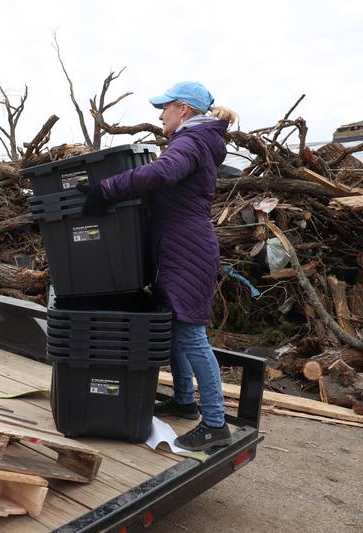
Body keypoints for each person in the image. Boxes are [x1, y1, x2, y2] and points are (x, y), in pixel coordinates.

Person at [77, 81, 238, 451]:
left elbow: (162, 174)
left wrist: (107, 189)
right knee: (177, 324)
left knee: (191, 335)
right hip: (181, 246)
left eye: (164, 107)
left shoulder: (190, 142)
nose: (160, 114)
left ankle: (215, 424)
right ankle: (183, 399)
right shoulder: (195, 142)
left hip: (187, 249)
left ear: (183, 109)